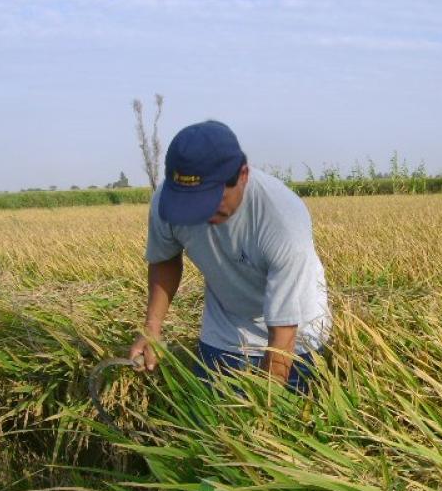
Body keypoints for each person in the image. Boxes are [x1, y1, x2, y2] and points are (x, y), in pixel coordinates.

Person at [128, 120, 330, 392]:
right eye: (192, 204)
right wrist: (152, 326)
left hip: (296, 334)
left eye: (211, 201)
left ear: (243, 175)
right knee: (207, 420)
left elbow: (284, 330)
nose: (201, 214)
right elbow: (165, 257)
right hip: (224, 329)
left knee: (286, 421)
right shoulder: (168, 202)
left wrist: (267, 407)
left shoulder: (281, 220)